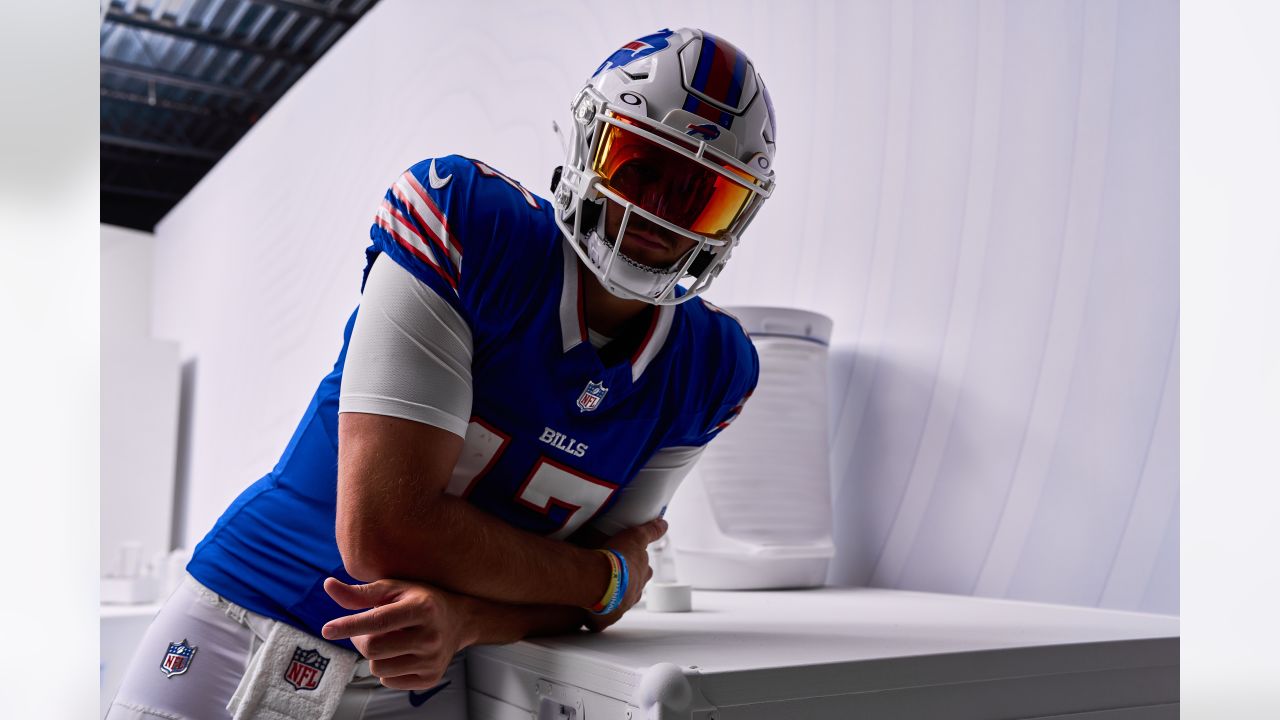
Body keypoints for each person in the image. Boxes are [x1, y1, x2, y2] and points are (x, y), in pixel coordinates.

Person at [107, 26, 777, 720]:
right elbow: (384, 532)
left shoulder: (714, 368)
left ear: (738, 214)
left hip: (430, 666)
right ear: (590, 144)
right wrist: (597, 576)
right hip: (250, 618)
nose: (656, 211)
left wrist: (467, 618)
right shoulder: (470, 222)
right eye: (639, 166)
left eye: (698, 194)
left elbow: (591, 609)